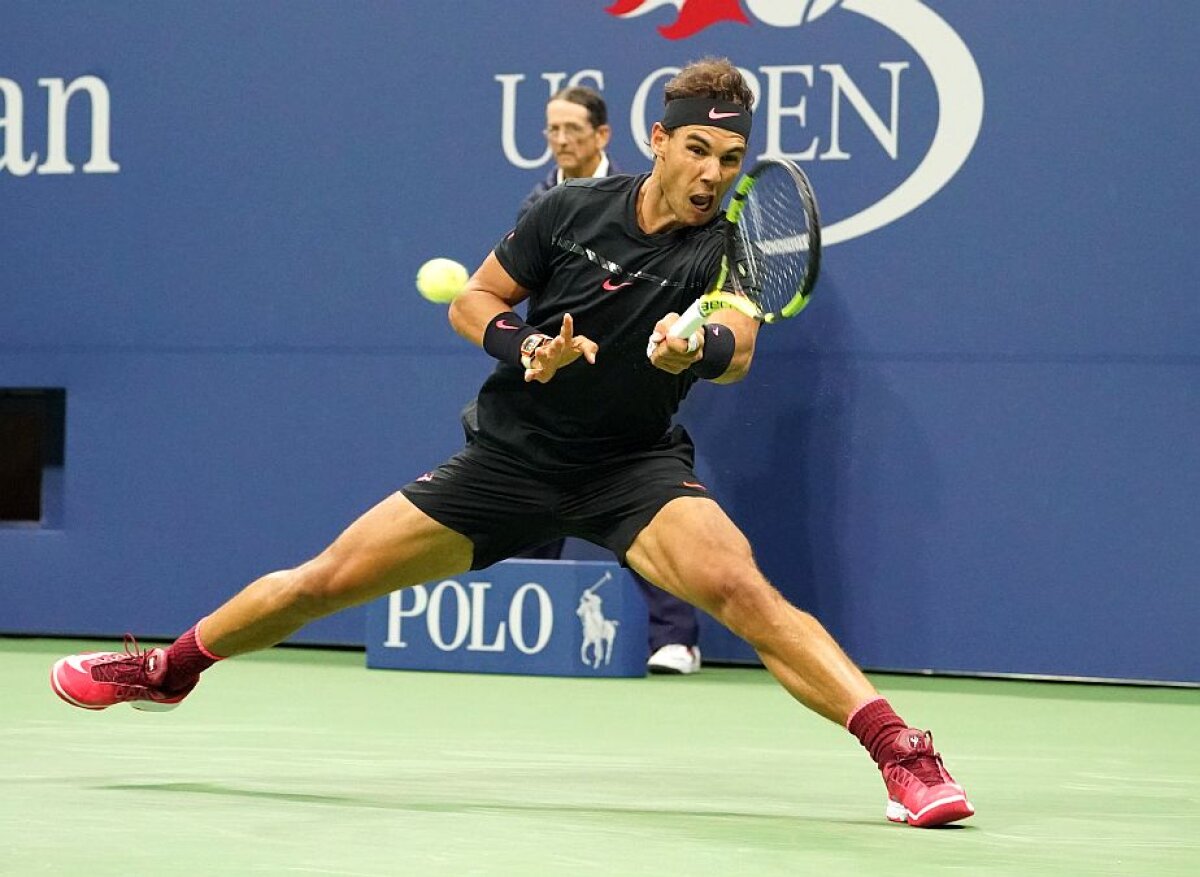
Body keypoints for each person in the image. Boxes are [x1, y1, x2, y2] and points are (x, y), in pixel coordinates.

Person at [49, 57, 974, 828]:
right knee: (321, 582)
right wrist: (525, 343)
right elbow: (473, 300)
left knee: (741, 587)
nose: (711, 173)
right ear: (659, 138)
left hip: (632, 471)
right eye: (697, 148)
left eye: (731, 159)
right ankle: (167, 670)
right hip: (509, 460)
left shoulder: (728, 249)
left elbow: (738, 348)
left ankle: (902, 751)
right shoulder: (565, 214)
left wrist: (697, 340)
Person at [514, 84, 702, 676]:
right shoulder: (539, 202)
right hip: (557, 385)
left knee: (642, 515)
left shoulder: (640, 199)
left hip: (629, 382)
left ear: (602, 136)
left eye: (573, 129)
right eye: (552, 130)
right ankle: (535, 627)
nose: (562, 140)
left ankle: (675, 638)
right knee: (526, 509)